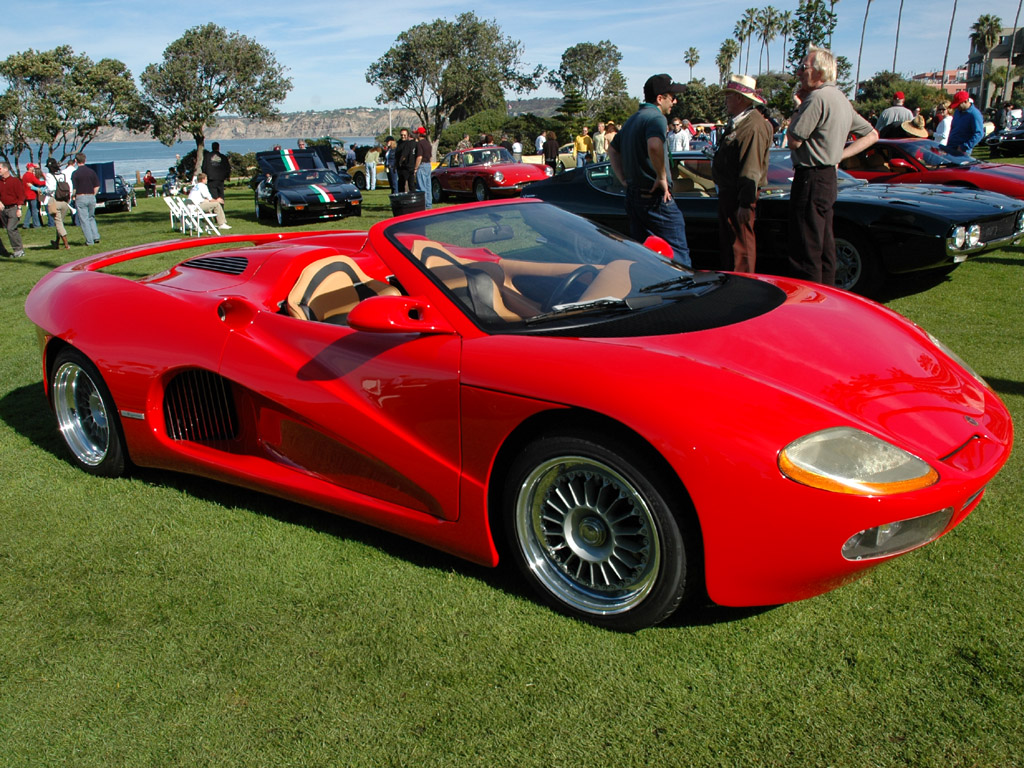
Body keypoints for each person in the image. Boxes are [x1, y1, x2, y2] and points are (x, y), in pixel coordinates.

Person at [786, 46, 878, 286]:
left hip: (810, 177)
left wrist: (798, 107)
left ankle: (809, 299)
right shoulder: (840, 98)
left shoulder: (817, 99)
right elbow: (872, 134)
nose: (799, 73)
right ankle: (827, 296)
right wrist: (838, 156)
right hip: (828, 178)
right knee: (825, 244)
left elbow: (794, 140)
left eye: (803, 67)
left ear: (819, 71)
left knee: (806, 246)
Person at [608, 73, 691, 266]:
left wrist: (622, 178)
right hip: (655, 199)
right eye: (672, 97)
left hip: (634, 196)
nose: (675, 101)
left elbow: (612, 149)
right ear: (660, 98)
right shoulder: (656, 118)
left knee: (644, 257)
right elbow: (654, 146)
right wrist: (662, 176)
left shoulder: (633, 119)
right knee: (678, 256)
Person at [712, 74, 774, 274]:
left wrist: (745, 203)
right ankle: (733, 284)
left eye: (729, 96)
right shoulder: (741, 122)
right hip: (731, 194)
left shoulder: (752, 126)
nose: (726, 100)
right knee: (731, 246)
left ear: (740, 98)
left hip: (739, 195)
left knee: (741, 248)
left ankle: (742, 287)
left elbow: (751, 167)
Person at [71, 153, 101, 246]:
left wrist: (73, 196)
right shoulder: (91, 172)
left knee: (84, 220)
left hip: (81, 196)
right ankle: (96, 236)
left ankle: (89, 241)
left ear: (76, 161)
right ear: (85, 160)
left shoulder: (75, 173)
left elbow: (75, 188)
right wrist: (93, 194)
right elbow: (97, 185)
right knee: (91, 217)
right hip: (91, 196)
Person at [0, 162, 26, 258]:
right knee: (10, 229)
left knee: (11, 228)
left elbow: (21, 195)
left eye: (0, 169)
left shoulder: (15, 181)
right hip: (3, 209)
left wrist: (19, 208)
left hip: (13, 208)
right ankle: (4, 250)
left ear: (6, 169)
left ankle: (18, 250)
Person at [947, 90, 984, 156]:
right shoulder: (957, 112)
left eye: (959, 105)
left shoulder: (974, 114)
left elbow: (979, 134)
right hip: (951, 146)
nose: (957, 107)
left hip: (962, 151)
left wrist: (964, 146)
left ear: (966, 101)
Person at [43, 158, 70, 250]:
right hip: (64, 201)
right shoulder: (63, 174)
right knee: (60, 222)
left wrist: (44, 191)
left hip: (54, 200)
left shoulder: (49, 176)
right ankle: (57, 242)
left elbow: (50, 188)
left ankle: (66, 244)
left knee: (58, 223)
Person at [413, 126, 433, 209]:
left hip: (422, 165)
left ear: (419, 134)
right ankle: (429, 205)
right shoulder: (428, 143)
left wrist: (415, 168)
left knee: (421, 187)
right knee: (428, 187)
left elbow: (419, 157)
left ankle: (423, 206)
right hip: (428, 165)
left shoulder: (419, 144)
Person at [22, 163, 45, 228]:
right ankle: (36, 224)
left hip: (27, 194)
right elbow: (38, 182)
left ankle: (26, 224)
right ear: (30, 168)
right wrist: (47, 181)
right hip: (32, 194)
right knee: (35, 210)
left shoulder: (24, 175)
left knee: (30, 209)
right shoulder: (30, 175)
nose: (34, 169)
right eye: (33, 167)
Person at [396, 129, 417, 193]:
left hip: (407, 167)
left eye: (404, 135)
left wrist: (400, 162)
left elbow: (404, 155)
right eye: (401, 135)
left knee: (411, 185)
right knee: (401, 185)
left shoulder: (409, 143)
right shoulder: (399, 143)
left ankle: (412, 199)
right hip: (402, 168)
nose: (403, 136)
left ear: (408, 135)